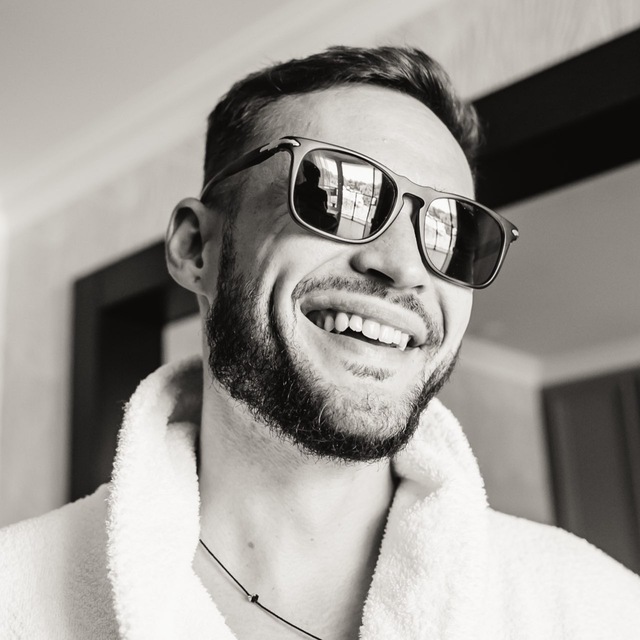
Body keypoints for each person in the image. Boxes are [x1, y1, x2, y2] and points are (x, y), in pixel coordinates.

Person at [1, 46, 639, 640]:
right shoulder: (16, 596)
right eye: (340, 196)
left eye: (451, 231)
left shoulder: (596, 610)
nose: (404, 267)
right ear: (196, 247)